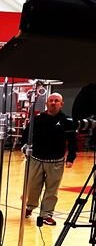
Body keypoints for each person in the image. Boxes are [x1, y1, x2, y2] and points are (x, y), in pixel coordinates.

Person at [24, 92, 77, 226]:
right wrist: (25, 147)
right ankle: (30, 207)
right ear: (47, 103)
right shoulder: (38, 119)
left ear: (61, 104)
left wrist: (71, 157)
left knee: (52, 190)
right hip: (36, 159)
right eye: (51, 100)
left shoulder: (67, 121)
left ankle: (47, 214)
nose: (53, 103)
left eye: (56, 101)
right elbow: (26, 135)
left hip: (56, 161)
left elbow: (72, 141)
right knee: (33, 186)